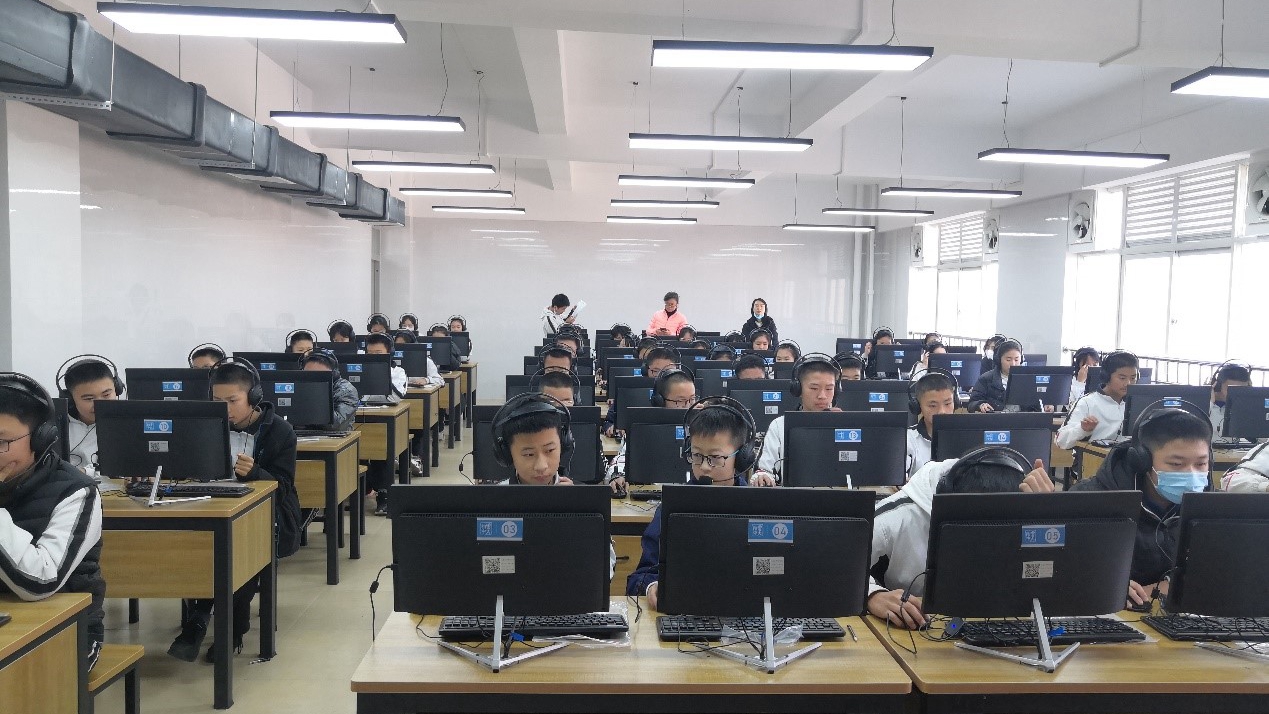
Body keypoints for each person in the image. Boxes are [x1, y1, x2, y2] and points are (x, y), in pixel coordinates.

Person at [170, 359, 301, 661]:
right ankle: (200, 616)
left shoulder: (279, 431)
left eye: (232, 401)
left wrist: (256, 473)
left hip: (266, 515)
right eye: (217, 401)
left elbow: (283, 486)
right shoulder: (204, 425)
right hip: (210, 507)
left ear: (253, 397)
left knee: (240, 547)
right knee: (195, 544)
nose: (225, 409)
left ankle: (231, 630)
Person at [867, 447, 1054, 629]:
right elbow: (848, 565)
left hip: (992, 621)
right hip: (918, 628)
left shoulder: (1021, 508)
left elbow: (1051, 576)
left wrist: (1046, 516)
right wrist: (873, 595)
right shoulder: (896, 517)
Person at [0, 373, 106, 669]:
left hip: (66, 630)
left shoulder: (76, 492)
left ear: (41, 438)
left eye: (1, 442)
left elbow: (41, 581)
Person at [1072, 402, 1212, 609]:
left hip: (1179, 617)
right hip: (1111, 613)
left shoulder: (1210, 507)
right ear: (1142, 461)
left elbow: (1219, 571)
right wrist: (1103, 583)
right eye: (1176, 464)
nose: (1191, 474)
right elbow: (1068, 569)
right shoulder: (1091, 500)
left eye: (1201, 464)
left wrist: (1165, 586)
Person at [627, 397, 756, 609]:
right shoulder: (673, 506)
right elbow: (640, 577)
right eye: (696, 455)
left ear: (742, 457)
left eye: (715, 458)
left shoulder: (757, 507)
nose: (704, 467)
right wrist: (651, 586)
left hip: (744, 612)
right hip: (685, 611)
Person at [752, 355, 841, 486]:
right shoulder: (779, 425)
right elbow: (764, 470)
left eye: (829, 389)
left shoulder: (845, 425)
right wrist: (762, 476)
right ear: (798, 389)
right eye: (814, 388)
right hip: (792, 496)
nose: (822, 396)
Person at [606, 368, 697, 491]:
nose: (688, 406)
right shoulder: (643, 426)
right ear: (659, 401)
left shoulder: (703, 428)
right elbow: (621, 461)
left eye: (692, 399)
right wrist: (616, 476)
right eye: (680, 401)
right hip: (654, 493)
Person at [1056, 350, 1139, 449]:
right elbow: (1061, 441)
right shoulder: (1087, 402)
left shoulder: (1137, 404)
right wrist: (1082, 429)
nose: (1128, 383)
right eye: (1122, 378)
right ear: (1106, 376)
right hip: (1093, 457)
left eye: (1133, 378)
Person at [57, 356, 123, 476]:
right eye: (88, 398)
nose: (99, 404)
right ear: (70, 399)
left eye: (106, 395)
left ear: (117, 390)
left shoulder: (128, 423)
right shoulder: (56, 424)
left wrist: (85, 472)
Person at [603, 347, 677, 437]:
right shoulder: (630, 390)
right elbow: (608, 421)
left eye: (667, 371)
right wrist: (612, 427)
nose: (661, 376)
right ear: (645, 370)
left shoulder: (685, 394)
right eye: (656, 371)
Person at [906, 371, 958, 479]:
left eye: (948, 403)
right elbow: (898, 482)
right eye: (933, 406)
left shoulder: (969, 435)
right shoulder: (908, 439)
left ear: (956, 402)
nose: (942, 411)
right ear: (918, 407)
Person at [299, 349, 358, 430]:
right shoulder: (299, 388)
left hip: (332, 436)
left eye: (320, 375)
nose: (313, 378)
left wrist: (313, 397)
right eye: (308, 374)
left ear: (333, 374)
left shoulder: (347, 391)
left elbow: (335, 425)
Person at [967, 338, 1023, 413]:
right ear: (999, 360)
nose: (1013, 364)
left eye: (1016, 360)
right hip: (995, 419)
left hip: (1023, 419)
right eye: (1008, 360)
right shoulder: (986, 379)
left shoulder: (1027, 380)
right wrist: (980, 405)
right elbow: (971, 404)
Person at [1209, 362, 1252, 441]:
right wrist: (1210, 404)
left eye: (1241, 390)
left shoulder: (1248, 407)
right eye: (1232, 389)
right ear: (1218, 386)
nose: (1237, 394)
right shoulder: (1205, 405)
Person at [364, 333, 407, 399]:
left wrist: (383, 375)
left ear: (390, 353)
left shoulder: (398, 372)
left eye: (378, 353)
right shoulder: (363, 370)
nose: (373, 357)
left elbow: (396, 398)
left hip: (388, 405)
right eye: (370, 353)